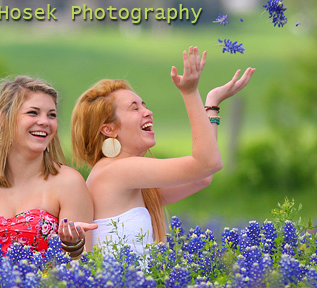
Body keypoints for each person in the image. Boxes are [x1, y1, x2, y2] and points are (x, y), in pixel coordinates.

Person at [71, 46, 255, 254]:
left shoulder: (129, 180)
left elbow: (202, 177)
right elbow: (207, 164)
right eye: (135, 108)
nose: (147, 112)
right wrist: (190, 92)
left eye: (144, 105)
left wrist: (212, 104)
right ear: (109, 129)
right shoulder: (115, 171)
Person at [0, 75, 97, 258]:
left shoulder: (69, 182)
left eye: (51, 115)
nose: (45, 122)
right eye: (33, 112)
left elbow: (84, 264)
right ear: (5, 118)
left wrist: (74, 247)